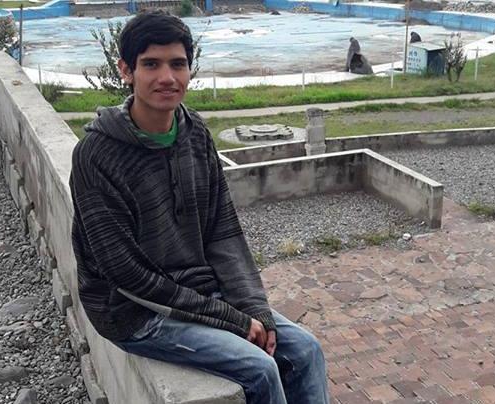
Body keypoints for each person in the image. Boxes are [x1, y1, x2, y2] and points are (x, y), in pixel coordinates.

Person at [69, 10, 329, 404]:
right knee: (260, 368)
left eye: (178, 64)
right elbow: (124, 273)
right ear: (126, 71)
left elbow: (222, 231)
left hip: (199, 291)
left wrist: (255, 308)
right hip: (133, 312)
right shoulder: (96, 155)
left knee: (306, 350)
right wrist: (232, 320)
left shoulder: (195, 133)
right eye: (151, 64)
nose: (167, 77)